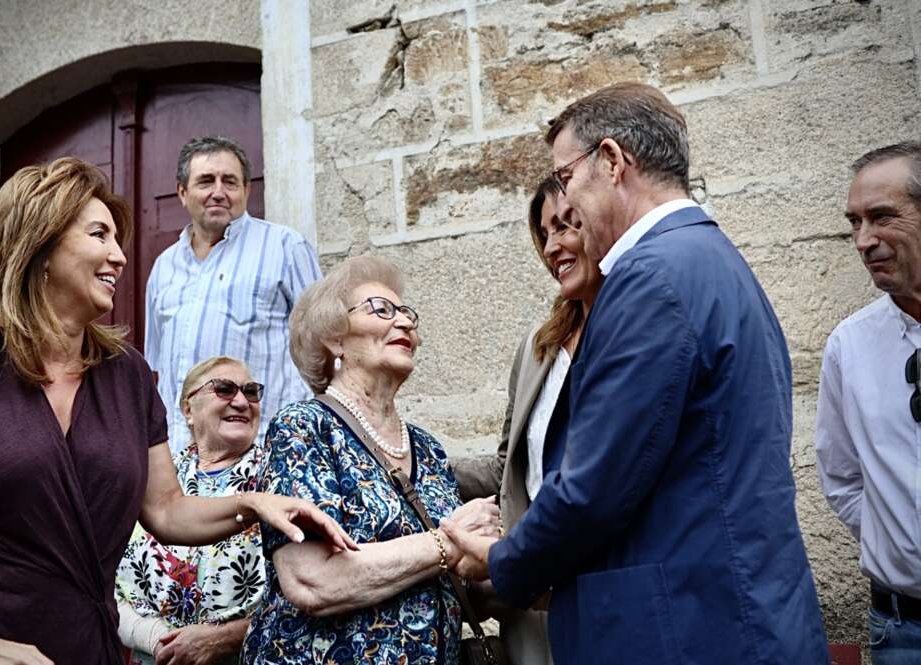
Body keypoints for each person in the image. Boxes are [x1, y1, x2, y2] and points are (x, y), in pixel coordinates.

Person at [441, 82, 829, 665]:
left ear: (614, 161)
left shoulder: (650, 278)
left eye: (567, 177)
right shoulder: (707, 258)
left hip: (688, 630)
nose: (565, 205)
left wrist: (499, 563)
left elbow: (594, 488)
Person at [0, 157, 354, 665]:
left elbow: (167, 509)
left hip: (89, 647)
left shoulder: (126, 373)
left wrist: (255, 505)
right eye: (99, 235)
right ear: (39, 245)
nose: (119, 257)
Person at [241, 255, 499, 665]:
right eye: (382, 309)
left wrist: (509, 562)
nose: (405, 323)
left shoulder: (427, 449)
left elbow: (450, 583)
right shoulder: (304, 427)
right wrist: (450, 540)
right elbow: (313, 580)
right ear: (334, 338)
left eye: (407, 314)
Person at [452, 177, 601, 665]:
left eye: (566, 225)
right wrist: (418, 462)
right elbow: (510, 468)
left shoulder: (629, 330)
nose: (554, 245)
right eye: (544, 233)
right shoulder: (540, 345)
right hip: (531, 589)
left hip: (601, 583)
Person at [145, 136, 322, 455]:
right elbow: (161, 373)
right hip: (183, 459)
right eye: (205, 181)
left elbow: (322, 351)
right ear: (183, 193)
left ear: (246, 190)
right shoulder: (163, 268)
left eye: (229, 181)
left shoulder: (285, 248)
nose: (218, 192)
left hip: (265, 451)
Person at [816, 141, 921, 663]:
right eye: (854, 222)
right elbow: (840, 477)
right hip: (901, 628)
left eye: (881, 217)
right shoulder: (849, 345)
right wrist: (898, 539)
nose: (863, 240)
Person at [116, 356, 269, 665]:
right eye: (224, 389)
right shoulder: (153, 481)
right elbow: (108, 590)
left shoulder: (280, 478)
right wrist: (158, 640)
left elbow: (306, 596)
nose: (241, 401)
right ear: (188, 409)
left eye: (251, 392)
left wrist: (224, 639)